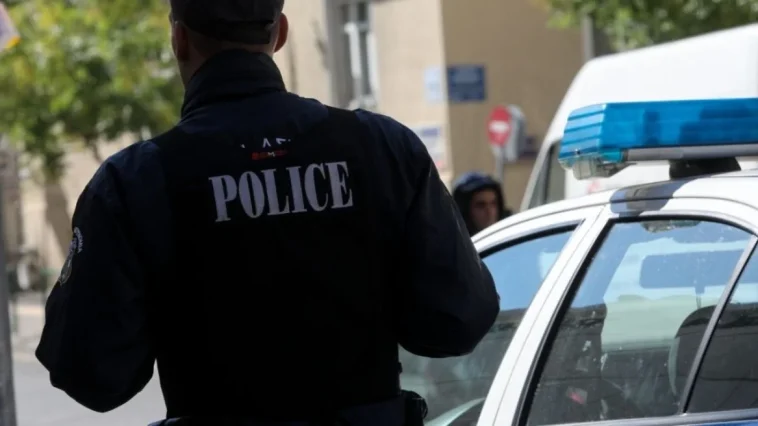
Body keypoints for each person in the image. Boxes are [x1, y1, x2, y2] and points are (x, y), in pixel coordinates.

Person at [34, 1, 500, 425]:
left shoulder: (135, 181)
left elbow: (90, 374)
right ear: (280, 33)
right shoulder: (384, 149)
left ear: (178, 39)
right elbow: (458, 320)